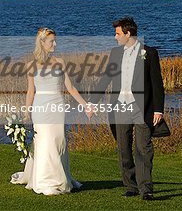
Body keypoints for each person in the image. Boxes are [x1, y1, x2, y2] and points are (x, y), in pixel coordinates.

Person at [90, 17, 165, 200]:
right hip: (120, 108)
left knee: (143, 148)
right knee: (123, 148)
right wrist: (93, 102)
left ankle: (145, 188)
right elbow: (106, 79)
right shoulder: (115, 53)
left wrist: (158, 109)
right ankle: (130, 185)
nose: (115, 37)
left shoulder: (149, 53)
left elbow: (157, 83)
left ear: (128, 34)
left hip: (142, 108)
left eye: (118, 34)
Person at [10, 27, 89, 195]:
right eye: (52, 41)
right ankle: (45, 181)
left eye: (55, 40)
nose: (55, 43)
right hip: (40, 107)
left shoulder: (60, 62)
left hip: (57, 106)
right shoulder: (31, 65)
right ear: (42, 43)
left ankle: (61, 178)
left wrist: (85, 104)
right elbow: (30, 91)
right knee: (45, 141)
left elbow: (70, 87)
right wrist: (26, 112)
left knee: (58, 140)